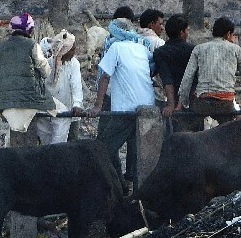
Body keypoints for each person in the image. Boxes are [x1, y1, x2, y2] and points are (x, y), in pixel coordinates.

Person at [89, 17, 155, 187]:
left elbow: (104, 77)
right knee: (137, 151)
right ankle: (135, 191)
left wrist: (97, 106)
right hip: (147, 106)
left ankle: (115, 187)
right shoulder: (141, 47)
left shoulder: (116, 47)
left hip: (126, 108)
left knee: (103, 149)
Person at [0, 12, 53, 146]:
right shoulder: (32, 45)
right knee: (60, 118)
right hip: (30, 102)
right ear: (30, 30)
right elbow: (46, 71)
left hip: (4, 103)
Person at [178, 16, 241, 129]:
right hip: (226, 103)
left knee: (186, 127)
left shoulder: (199, 48)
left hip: (202, 103)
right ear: (228, 34)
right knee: (230, 129)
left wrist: (184, 102)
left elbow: (187, 78)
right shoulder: (236, 49)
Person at [37, 29, 83, 145]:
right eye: (71, 49)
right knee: (47, 143)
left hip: (69, 110)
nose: (74, 52)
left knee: (71, 145)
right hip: (48, 109)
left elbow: (76, 85)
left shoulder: (74, 64)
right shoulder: (47, 63)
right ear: (63, 51)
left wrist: (77, 104)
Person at [153, 14, 196, 130]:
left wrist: (171, 104)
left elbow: (167, 79)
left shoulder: (160, 52)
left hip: (172, 102)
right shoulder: (193, 50)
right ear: (182, 32)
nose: (188, 33)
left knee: (173, 138)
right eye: (187, 30)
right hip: (193, 102)